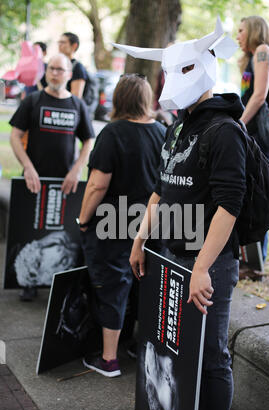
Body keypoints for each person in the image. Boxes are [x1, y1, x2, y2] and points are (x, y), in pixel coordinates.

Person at [118, 19, 246, 410]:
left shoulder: (225, 130)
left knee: (211, 358)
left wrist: (203, 268)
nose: (171, 84)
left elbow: (230, 203)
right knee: (174, 349)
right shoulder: (177, 126)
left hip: (207, 263)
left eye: (185, 70)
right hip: (171, 254)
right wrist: (140, 240)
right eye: (169, 73)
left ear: (208, 67)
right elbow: (161, 187)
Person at [78, 74, 166, 378]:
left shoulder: (113, 133)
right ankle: (138, 347)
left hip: (115, 222)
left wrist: (83, 218)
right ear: (146, 99)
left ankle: (109, 360)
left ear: (119, 99)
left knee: (112, 287)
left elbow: (96, 186)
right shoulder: (164, 132)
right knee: (145, 286)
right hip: (154, 223)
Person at [9, 53, 95, 300]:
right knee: (32, 231)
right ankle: (29, 285)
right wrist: (27, 167)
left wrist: (78, 168)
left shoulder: (77, 105)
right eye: (51, 69)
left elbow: (88, 139)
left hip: (65, 183)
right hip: (34, 180)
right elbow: (15, 135)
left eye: (60, 69)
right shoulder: (33, 101)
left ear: (69, 74)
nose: (55, 73)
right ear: (46, 72)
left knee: (62, 233)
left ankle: (60, 282)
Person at [236, 16, 269, 262]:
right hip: (252, 135)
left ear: (253, 30)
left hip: (259, 137)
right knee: (248, 193)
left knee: (258, 194)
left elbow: (260, 95)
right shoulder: (253, 56)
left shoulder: (263, 51)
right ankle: (249, 258)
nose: (238, 35)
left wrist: (239, 124)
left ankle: (255, 261)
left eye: (241, 30)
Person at [58, 32, 87, 99]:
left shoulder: (78, 67)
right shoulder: (58, 64)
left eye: (63, 42)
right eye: (59, 42)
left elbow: (76, 98)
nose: (59, 45)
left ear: (74, 46)